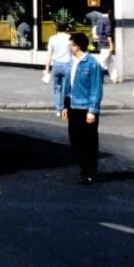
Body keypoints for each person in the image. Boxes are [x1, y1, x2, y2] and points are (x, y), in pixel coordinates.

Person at [61, 32, 104, 185]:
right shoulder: (71, 63)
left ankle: (89, 172)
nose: (69, 48)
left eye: (71, 45)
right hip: (73, 107)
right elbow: (67, 87)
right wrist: (64, 106)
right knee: (75, 141)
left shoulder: (92, 64)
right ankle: (84, 167)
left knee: (89, 142)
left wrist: (93, 110)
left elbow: (96, 89)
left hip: (86, 108)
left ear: (77, 46)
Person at [44, 21, 73, 117]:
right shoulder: (70, 38)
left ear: (57, 28)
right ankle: (65, 109)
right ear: (66, 28)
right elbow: (74, 52)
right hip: (67, 65)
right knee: (66, 89)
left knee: (57, 88)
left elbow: (49, 54)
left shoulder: (52, 38)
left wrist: (47, 68)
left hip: (56, 65)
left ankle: (58, 110)